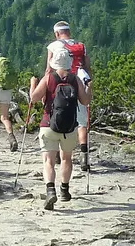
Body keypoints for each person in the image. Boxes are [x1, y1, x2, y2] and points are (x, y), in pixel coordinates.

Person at [29, 45, 92, 210]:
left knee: (48, 161)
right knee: (66, 159)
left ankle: (51, 190)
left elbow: (34, 98)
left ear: (53, 62)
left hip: (48, 125)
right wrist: (89, 87)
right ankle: (64, 190)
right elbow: (85, 101)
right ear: (70, 63)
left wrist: (32, 84)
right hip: (70, 127)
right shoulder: (74, 79)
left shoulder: (49, 78)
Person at [31, 20, 93, 171]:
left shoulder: (53, 46)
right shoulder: (81, 46)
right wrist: (88, 86)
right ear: (69, 32)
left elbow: (48, 69)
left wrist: (44, 87)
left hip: (58, 84)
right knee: (82, 121)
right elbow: (87, 66)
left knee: (57, 112)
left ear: (57, 33)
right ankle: (84, 156)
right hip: (78, 82)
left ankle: (57, 153)